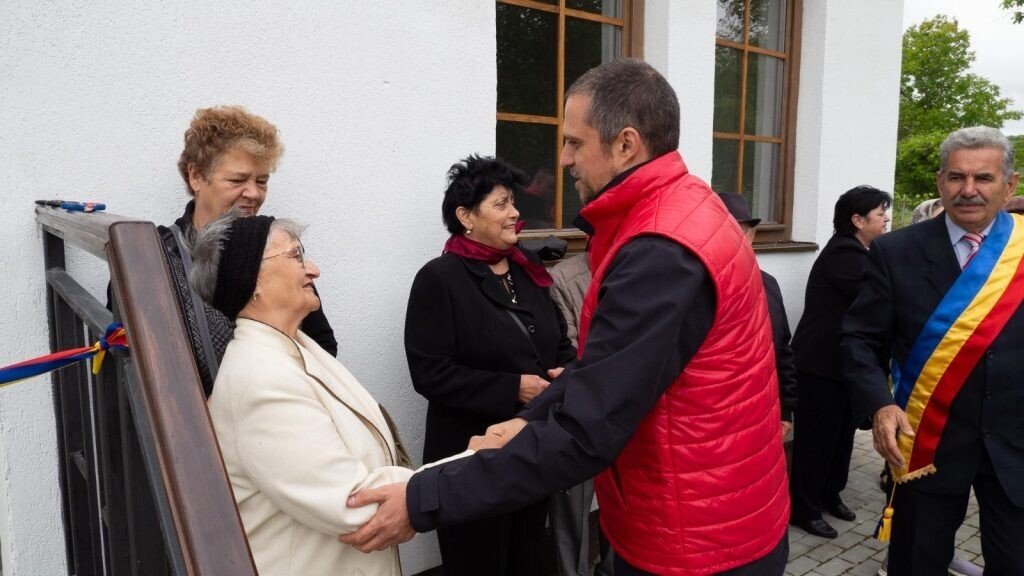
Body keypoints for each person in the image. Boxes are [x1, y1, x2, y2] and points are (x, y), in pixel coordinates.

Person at [342, 58, 789, 576]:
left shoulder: (659, 251)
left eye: (575, 142)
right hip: (701, 512)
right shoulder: (682, 214)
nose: (564, 159)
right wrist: (526, 418)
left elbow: (590, 418)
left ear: (626, 144)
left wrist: (423, 499)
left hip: (696, 537)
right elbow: (602, 369)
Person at [841, 126, 1023, 574]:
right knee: (917, 562)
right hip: (928, 442)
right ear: (940, 182)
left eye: (984, 178)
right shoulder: (894, 251)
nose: (969, 190)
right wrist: (879, 403)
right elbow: (859, 339)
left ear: (1010, 185)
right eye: (957, 177)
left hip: (1016, 442)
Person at [190, 212, 413, 576]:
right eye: (296, 256)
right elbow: (353, 502)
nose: (313, 269)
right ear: (252, 281)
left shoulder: (299, 347)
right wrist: (470, 467)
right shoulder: (261, 380)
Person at [403, 155, 576, 575]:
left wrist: (566, 372)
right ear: (466, 216)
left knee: (525, 558)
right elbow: (430, 372)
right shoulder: (440, 279)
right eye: (501, 204)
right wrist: (514, 387)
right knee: (477, 562)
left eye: (512, 202)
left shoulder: (527, 271)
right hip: (470, 459)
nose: (514, 212)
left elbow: (558, 340)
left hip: (530, 449)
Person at [162, 105, 337, 394]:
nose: (254, 193)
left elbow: (321, 342)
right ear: (196, 177)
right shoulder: (155, 258)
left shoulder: (275, 245)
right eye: (237, 180)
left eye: (262, 181)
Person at [788, 185, 892, 539]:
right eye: (880, 214)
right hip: (819, 367)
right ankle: (804, 509)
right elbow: (879, 297)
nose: (886, 219)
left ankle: (830, 495)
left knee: (841, 438)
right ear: (858, 220)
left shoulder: (862, 252)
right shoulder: (844, 254)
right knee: (816, 442)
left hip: (845, 367)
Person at [548, 251, 616, 576]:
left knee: (626, 506)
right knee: (572, 509)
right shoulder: (565, 277)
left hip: (628, 409)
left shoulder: (641, 268)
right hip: (578, 409)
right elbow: (567, 349)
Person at [718, 193, 798, 444]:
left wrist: (786, 410)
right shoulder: (697, 288)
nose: (736, 240)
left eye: (741, 232)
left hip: (762, 415)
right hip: (716, 423)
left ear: (751, 236)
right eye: (726, 230)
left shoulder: (768, 284)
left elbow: (782, 349)